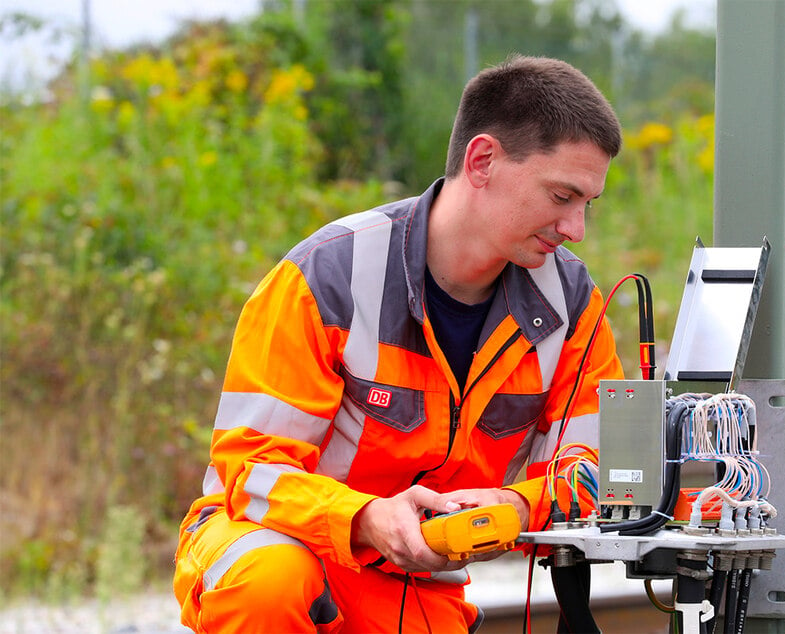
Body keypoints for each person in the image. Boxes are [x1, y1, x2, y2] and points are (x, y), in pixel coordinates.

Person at [173, 54, 624, 633]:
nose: (575, 229)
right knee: (270, 584)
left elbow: (591, 472)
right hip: (275, 543)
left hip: (412, 578)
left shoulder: (573, 306)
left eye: (588, 204)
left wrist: (517, 507)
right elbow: (249, 469)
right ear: (482, 160)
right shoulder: (326, 279)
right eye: (562, 197)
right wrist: (363, 518)